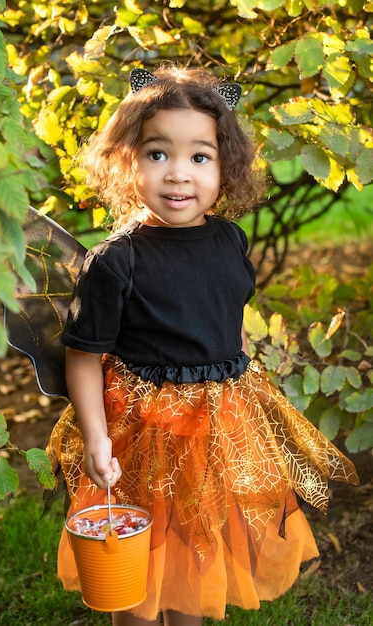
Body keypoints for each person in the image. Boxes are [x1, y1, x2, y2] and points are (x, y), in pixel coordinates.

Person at [47, 64, 358, 626]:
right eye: (157, 154)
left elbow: (227, 311)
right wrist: (96, 435)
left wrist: (238, 364)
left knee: (200, 545)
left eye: (200, 156)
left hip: (221, 422)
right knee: (140, 556)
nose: (178, 175)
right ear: (126, 161)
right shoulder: (119, 259)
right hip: (146, 429)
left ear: (225, 167)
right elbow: (84, 355)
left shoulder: (229, 239)